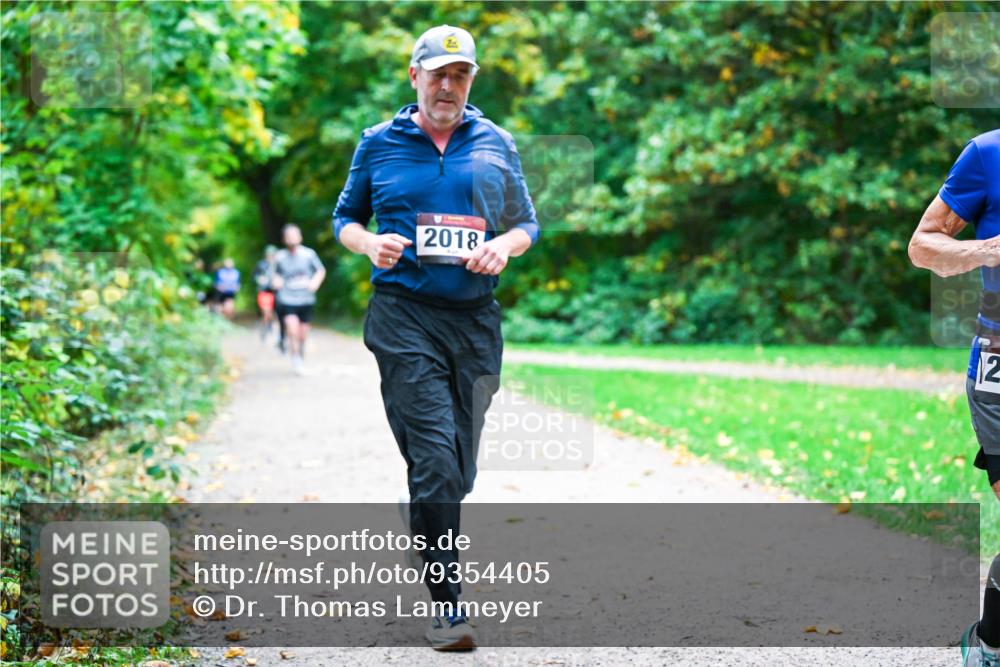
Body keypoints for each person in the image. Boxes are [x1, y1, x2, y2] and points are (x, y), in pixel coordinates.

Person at [332, 24, 539, 651]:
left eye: (460, 75)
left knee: (458, 470)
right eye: (438, 73)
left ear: (471, 80)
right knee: (435, 461)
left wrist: (504, 246)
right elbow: (345, 218)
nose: (448, 85)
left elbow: (525, 224)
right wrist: (369, 243)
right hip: (403, 317)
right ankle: (449, 610)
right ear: (415, 75)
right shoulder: (379, 142)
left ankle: (425, 510)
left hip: (475, 323)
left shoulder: (496, 142)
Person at [908, 128, 1000, 667]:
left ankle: (990, 635)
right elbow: (923, 244)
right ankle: (990, 645)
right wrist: (988, 249)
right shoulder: (988, 153)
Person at [273, 224, 326, 374]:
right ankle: (296, 360)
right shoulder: (279, 257)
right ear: (284, 239)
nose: (292, 238)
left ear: (300, 237)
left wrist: (315, 282)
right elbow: (275, 274)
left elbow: (320, 270)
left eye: (294, 235)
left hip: (306, 299)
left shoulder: (309, 254)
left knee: (302, 334)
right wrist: (276, 281)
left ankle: (300, 354)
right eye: (289, 236)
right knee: (292, 330)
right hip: (288, 299)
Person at [253, 245, 278, 342]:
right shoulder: (261, 264)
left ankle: (272, 329)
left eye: (272, 255)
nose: (270, 256)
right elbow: (255, 276)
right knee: (266, 312)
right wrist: (260, 280)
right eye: (269, 255)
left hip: (277, 292)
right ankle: (264, 329)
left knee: (275, 314)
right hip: (264, 292)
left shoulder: (278, 265)